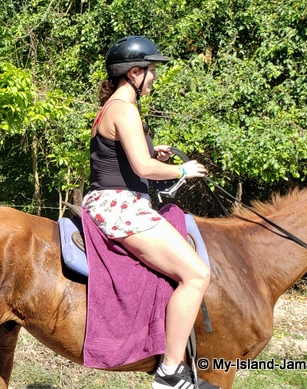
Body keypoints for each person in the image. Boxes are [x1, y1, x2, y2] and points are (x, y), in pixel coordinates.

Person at [82, 36, 219, 389]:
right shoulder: (124, 108)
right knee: (196, 275)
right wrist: (182, 171)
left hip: (113, 201)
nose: (154, 77)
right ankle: (171, 373)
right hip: (118, 206)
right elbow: (141, 169)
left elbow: (125, 159)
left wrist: (151, 151)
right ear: (134, 72)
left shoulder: (115, 107)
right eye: (152, 71)